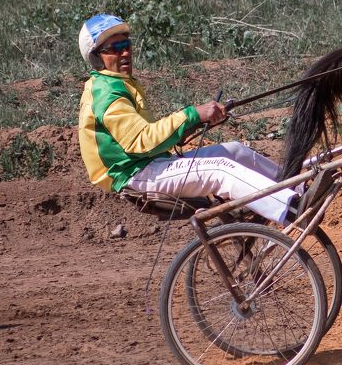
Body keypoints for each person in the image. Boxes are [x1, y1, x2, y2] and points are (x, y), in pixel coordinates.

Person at [77, 13, 297, 223]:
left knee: (235, 151)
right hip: (134, 175)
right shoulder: (107, 93)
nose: (124, 53)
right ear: (97, 58)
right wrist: (192, 114)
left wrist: (192, 124)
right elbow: (140, 141)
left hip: (151, 164)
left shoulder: (118, 82)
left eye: (126, 46)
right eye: (115, 49)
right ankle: (292, 207)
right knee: (220, 170)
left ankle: (295, 187)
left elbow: (147, 138)